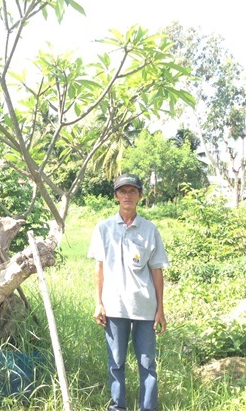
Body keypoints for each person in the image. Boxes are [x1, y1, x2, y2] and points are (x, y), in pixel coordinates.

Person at [87, 173, 169, 411]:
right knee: (116, 362)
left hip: (145, 306)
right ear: (116, 196)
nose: (127, 196)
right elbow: (99, 268)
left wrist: (160, 310)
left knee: (147, 363)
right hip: (114, 305)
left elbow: (156, 271)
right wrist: (98, 303)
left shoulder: (150, 230)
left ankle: (148, 408)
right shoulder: (104, 228)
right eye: (123, 191)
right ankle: (117, 407)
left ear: (140, 196)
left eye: (133, 191)